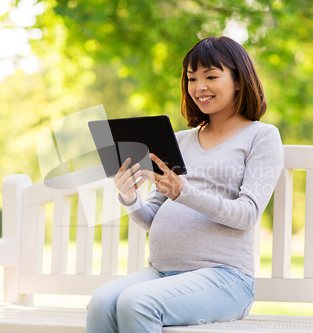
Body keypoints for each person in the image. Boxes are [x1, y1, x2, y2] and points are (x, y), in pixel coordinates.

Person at [85, 35, 284, 333]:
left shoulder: (261, 137)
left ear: (239, 80)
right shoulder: (179, 140)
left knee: (137, 303)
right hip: (162, 275)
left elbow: (246, 216)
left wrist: (183, 192)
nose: (199, 87)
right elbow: (152, 219)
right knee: (101, 302)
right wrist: (129, 197)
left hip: (226, 278)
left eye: (211, 76)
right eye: (192, 79)